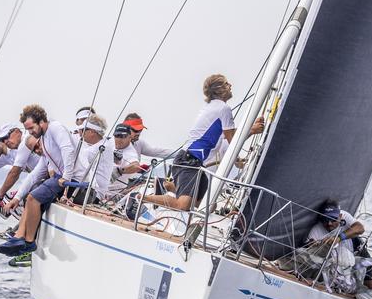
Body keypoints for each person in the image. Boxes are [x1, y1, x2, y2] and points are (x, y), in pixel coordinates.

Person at [141, 75, 263, 213]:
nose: (231, 85)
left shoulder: (213, 107)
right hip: (189, 159)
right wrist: (252, 130)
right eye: (227, 83)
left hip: (193, 161)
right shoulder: (223, 108)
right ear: (219, 89)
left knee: (209, 206)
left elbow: (224, 138)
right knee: (183, 205)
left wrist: (239, 155)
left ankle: (170, 187)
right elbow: (232, 140)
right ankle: (141, 197)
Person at [0, 105, 76, 264]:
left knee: (33, 198)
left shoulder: (55, 128)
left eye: (32, 128)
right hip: (61, 178)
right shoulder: (44, 138)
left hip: (71, 178)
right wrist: (17, 198)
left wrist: (66, 175)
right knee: (29, 198)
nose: (30, 132)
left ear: (41, 121)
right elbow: (36, 173)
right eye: (28, 129)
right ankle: (20, 238)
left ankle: (28, 242)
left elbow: (68, 149)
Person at [306, 199, 372, 292]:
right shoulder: (315, 230)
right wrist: (315, 246)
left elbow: (360, 228)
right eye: (325, 219)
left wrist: (339, 238)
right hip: (337, 263)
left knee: (371, 285)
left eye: (333, 219)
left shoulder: (345, 216)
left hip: (354, 252)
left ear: (340, 216)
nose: (329, 223)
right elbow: (308, 249)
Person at [67, 114, 112, 205]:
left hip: (93, 195)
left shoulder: (101, 148)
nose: (80, 133)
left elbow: (74, 157)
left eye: (83, 130)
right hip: (90, 191)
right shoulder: (105, 144)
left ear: (92, 132)